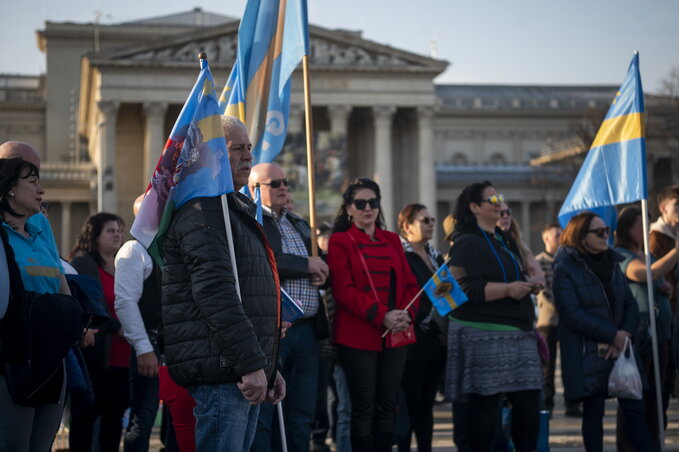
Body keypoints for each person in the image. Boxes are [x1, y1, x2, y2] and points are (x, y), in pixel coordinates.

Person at [161, 115, 285, 451]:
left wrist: (268, 366)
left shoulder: (233, 209)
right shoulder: (203, 213)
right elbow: (216, 296)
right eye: (236, 149)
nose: (248, 156)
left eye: (249, 148)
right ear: (212, 155)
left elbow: (251, 294)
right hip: (224, 370)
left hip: (241, 370)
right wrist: (252, 364)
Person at [444, 181, 542, 452]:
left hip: (516, 333)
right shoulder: (467, 243)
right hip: (483, 333)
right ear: (474, 207)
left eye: (500, 197)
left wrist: (527, 283)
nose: (499, 202)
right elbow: (465, 289)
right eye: (492, 199)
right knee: (485, 407)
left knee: (529, 405)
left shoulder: (503, 240)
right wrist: (509, 289)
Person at [326, 178, 420, 452]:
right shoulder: (340, 241)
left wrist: (406, 314)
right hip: (357, 336)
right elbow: (344, 291)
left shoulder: (392, 239)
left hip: (395, 334)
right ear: (349, 209)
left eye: (373, 203)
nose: (367, 208)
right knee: (364, 406)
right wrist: (383, 316)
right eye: (360, 203)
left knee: (388, 404)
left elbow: (412, 285)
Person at [552, 211, 653, 452]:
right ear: (581, 236)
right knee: (594, 411)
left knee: (636, 410)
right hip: (589, 350)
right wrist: (612, 335)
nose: (605, 236)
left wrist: (624, 335)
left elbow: (629, 303)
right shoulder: (565, 267)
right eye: (599, 232)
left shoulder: (612, 262)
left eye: (607, 231)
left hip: (621, 348)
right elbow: (571, 313)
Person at [249, 163, 329, 452]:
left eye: (285, 182)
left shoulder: (296, 222)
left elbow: (316, 261)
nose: (284, 187)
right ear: (256, 189)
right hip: (275, 331)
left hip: (307, 332)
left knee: (301, 412)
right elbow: (265, 260)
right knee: (267, 413)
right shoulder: (253, 221)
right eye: (275, 183)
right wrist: (306, 265)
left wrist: (322, 269)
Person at [0, 157, 73, 451]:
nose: (41, 190)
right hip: (12, 354)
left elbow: (59, 279)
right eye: (32, 182)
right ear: (10, 191)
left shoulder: (40, 225)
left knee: (41, 444)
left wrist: (71, 320)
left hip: (51, 352)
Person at [614, 206, 676, 451]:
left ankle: (653, 441)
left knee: (658, 397)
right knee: (636, 395)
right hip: (639, 336)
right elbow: (645, 275)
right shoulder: (621, 255)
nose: (644, 231)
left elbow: (657, 278)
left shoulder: (647, 254)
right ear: (627, 229)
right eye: (640, 226)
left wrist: (665, 289)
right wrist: (676, 251)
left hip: (660, 333)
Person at [69, 212, 129, 452]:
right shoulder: (83, 263)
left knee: (114, 421)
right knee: (86, 418)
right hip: (96, 355)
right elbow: (92, 304)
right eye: (111, 230)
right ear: (94, 236)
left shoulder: (125, 265)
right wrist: (118, 328)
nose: (118, 234)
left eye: (120, 230)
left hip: (123, 356)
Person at [396, 204, 445, 452]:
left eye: (432, 219)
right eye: (424, 220)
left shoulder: (436, 256)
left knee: (426, 405)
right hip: (413, 341)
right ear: (407, 226)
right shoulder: (401, 255)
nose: (430, 224)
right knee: (409, 405)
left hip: (436, 340)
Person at [535, 224, 582, 417]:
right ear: (546, 238)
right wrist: (565, 305)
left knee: (571, 364)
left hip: (568, 321)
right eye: (556, 236)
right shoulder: (538, 262)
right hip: (548, 320)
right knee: (548, 365)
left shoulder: (568, 261)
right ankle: (548, 403)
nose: (559, 239)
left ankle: (572, 403)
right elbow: (543, 290)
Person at [650, 185, 679, 313]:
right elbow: (657, 276)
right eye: (677, 204)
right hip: (669, 308)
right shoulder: (655, 238)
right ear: (663, 208)